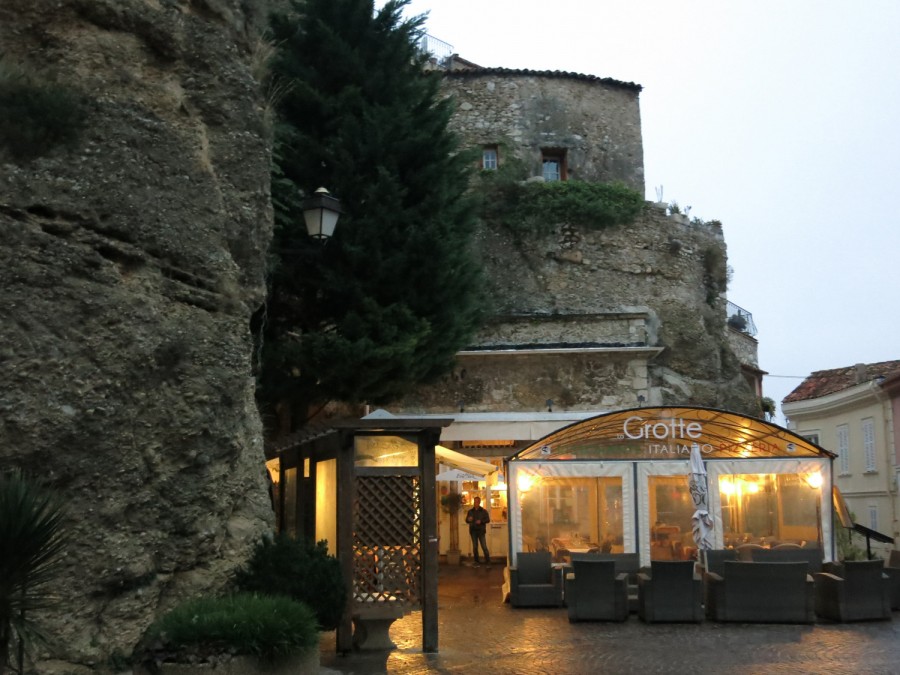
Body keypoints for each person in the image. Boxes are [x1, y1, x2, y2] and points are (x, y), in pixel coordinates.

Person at [465, 496, 491, 566]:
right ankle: (476, 561)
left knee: (484, 546)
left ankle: (488, 561)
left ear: (479, 502)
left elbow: (488, 520)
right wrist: (468, 519)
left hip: (481, 531)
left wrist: (481, 521)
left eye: (476, 501)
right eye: (474, 501)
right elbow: (466, 520)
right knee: (475, 547)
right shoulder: (470, 511)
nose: (475, 503)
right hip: (473, 531)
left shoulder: (483, 511)